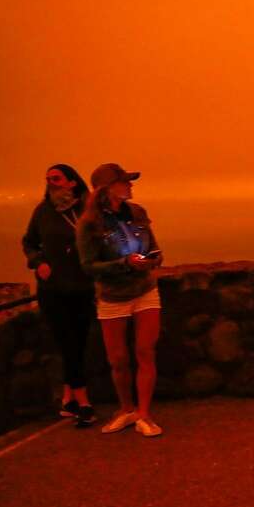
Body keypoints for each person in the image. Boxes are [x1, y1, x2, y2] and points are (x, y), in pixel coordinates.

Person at [76, 163, 165, 437]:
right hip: (113, 297)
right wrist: (124, 264)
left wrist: (154, 258)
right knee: (118, 359)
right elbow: (88, 266)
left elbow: (153, 246)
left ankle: (144, 414)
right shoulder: (89, 224)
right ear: (107, 188)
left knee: (145, 351)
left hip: (145, 290)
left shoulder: (138, 213)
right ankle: (127, 408)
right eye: (125, 181)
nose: (131, 185)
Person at [21, 164, 97, 427]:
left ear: (72, 182)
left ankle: (68, 400)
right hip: (53, 290)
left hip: (82, 287)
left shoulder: (87, 210)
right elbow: (29, 242)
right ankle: (84, 403)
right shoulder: (43, 212)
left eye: (56, 178)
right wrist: (38, 261)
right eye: (48, 179)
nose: (51, 183)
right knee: (68, 344)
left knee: (76, 344)